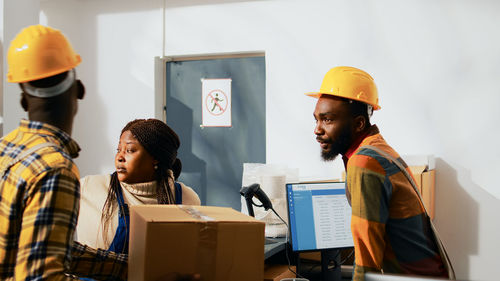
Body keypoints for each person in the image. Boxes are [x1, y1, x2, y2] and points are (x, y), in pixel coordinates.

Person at [0, 25, 126, 280]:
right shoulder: (55, 169)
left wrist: (129, 267)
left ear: (23, 101)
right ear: (79, 89)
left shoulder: (6, 148)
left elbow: (45, 247)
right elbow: (42, 276)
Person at [307, 66, 450, 280]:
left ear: (358, 124)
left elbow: (367, 258)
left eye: (328, 120)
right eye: (316, 119)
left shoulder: (364, 163)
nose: (317, 129)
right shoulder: (379, 149)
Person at [76, 118, 200, 252]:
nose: (119, 157)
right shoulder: (88, 188)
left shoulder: (186, 198)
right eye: (118, 149)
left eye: (129, 150)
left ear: (155, 158)